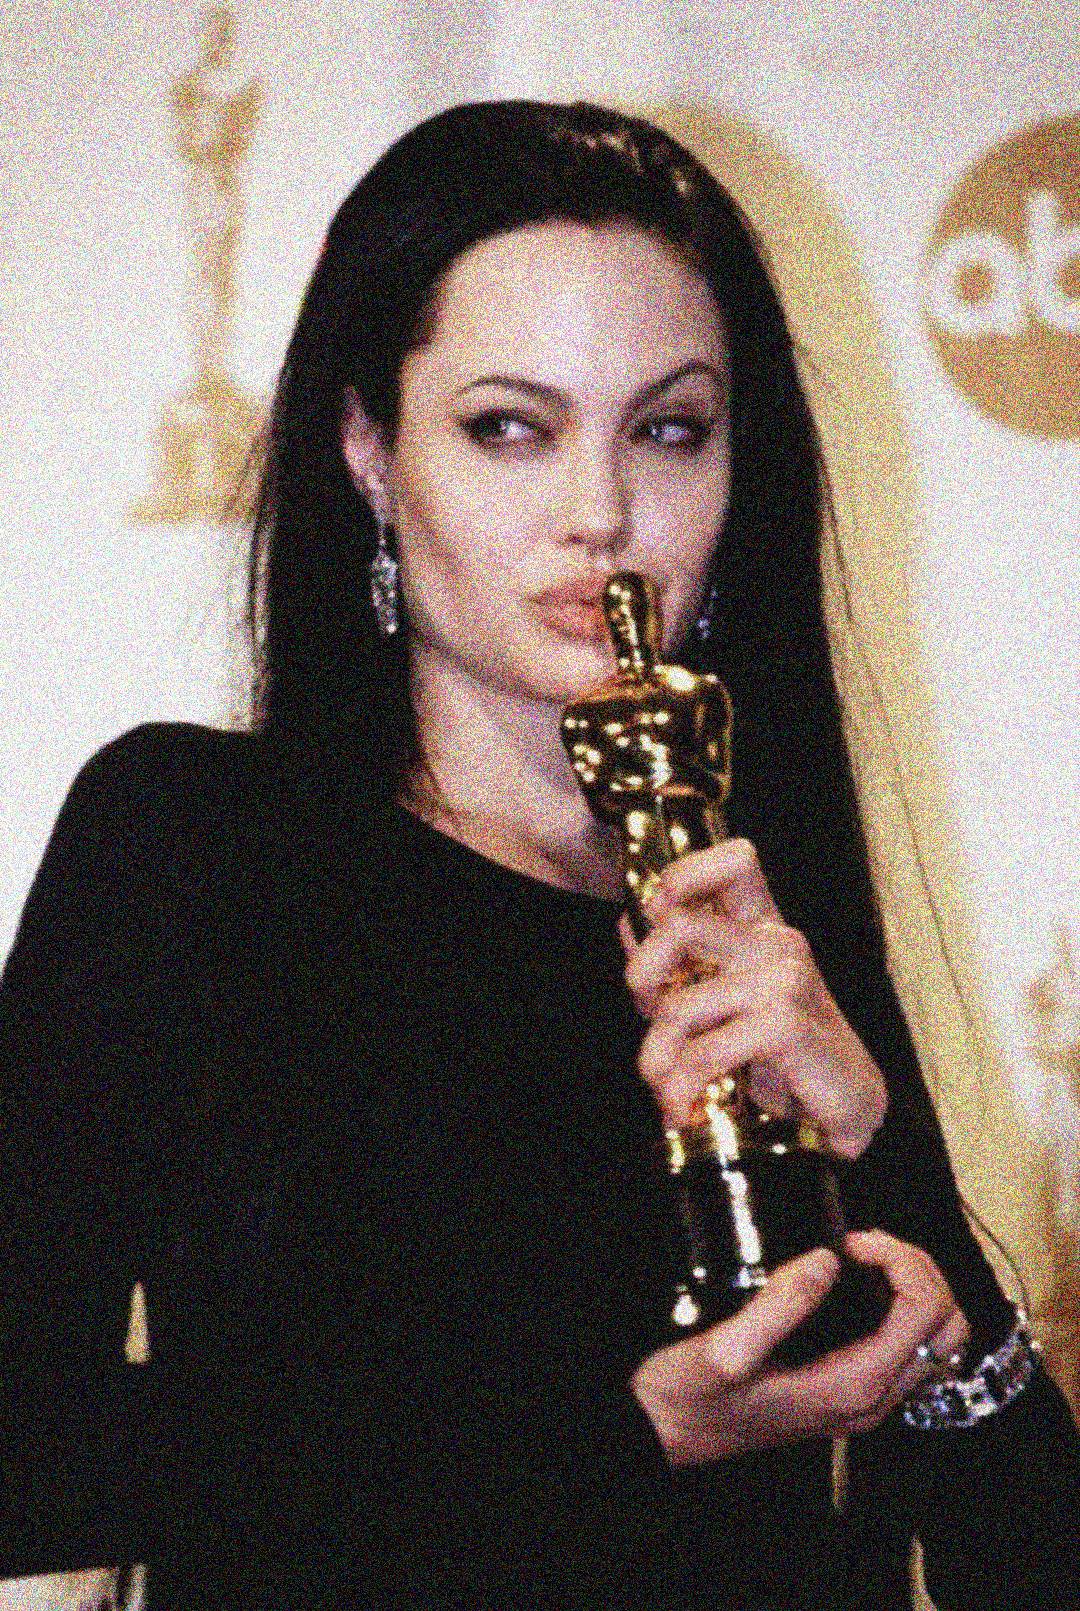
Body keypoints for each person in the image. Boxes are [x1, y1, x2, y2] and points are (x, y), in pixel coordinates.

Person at [1, 99, 1077, 1611]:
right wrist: (624, 1431)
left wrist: (880, 1160)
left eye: (670, 429)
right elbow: (28, 1448)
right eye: (510, 427)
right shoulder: (194, 847)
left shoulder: (749, 918)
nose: (604, 515)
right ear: (371, 449)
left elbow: (1021, 1559)